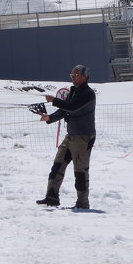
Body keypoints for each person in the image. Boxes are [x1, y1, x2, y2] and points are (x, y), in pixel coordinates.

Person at [35, 64, 97, 209]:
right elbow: (65, 111)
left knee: (80, 171)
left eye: (75, 75)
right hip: (70, 137)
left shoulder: (88, 93)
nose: (73, 78)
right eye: (72, 75)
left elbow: (73, 107)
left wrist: (54, 101)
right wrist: (49, 118)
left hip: (83, 138)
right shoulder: (73, 91)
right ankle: (51, 198)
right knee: (57, 166)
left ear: (84, 77)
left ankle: (82, 203)